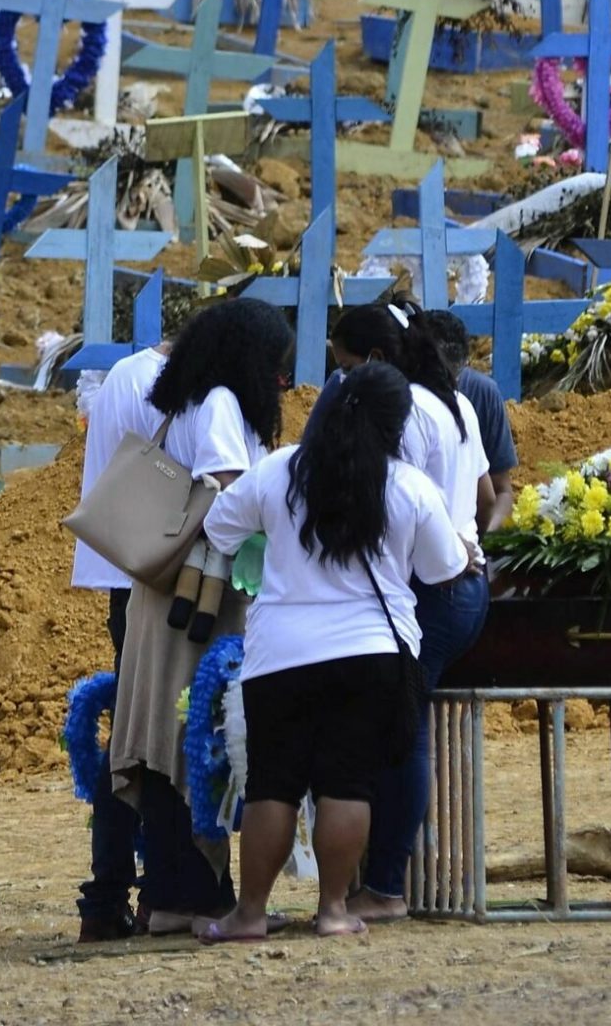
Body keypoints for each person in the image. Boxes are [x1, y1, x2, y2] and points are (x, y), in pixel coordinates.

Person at [196, 361, 466, 940]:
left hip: (280, 653)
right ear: (397, 425)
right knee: (348, 783)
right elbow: (444, 567)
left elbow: (219, 529)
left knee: (273, 783)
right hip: (372, 653)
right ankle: (334, 909)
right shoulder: (408, 484)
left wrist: (278, 533)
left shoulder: (278, 470)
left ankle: (248, 914)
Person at [106, 297, 292, 935]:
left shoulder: (187, 399)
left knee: (170, 741)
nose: (280, 379)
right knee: (193, 743)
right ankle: (194, 894)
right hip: (198, 603)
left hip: (165, 595)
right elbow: (230, 497)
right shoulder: (219, 404)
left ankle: (168, 894)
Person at [324, 305, 495, 923]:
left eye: (346, 369)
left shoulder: (403, 412)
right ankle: (383, 877)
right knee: (401, 729)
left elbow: (397, 507)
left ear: (377, 360)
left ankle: (387, 885)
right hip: (465, 581)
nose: (342, 383)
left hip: (432, 588)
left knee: (403, 736)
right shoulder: (456, 403)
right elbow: (480, 495)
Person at [70, 334, 171, 943]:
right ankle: (145, 892)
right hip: (153, 578)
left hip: (123, 573)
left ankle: (108, 893)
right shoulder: (165, 387)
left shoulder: (125, 376)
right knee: (148, 741)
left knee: (130, 738)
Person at [411, 308, 518, 531]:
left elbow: (501, 492)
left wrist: (487, 539)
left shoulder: (479, 396)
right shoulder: (405, 401)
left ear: (466, 363)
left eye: (452, 377)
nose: (443, 388)